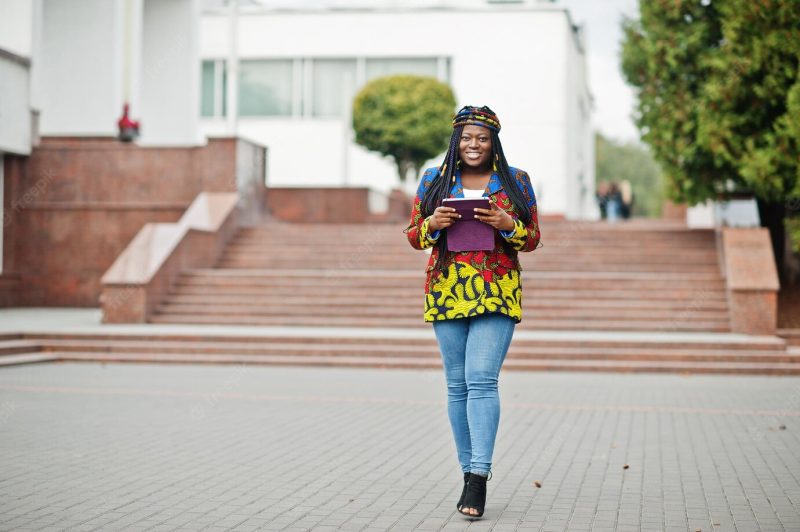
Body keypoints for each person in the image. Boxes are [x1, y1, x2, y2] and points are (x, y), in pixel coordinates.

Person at [404, 105, 541, 518]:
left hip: (497, 288)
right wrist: (433, 223)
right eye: (466, 137)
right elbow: (413, 235)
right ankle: (467, 472)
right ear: (456, 140)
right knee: (456, 386)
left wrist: (505, 222)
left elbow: (532, 238)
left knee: (481, 379)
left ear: (493, 140)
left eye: (481, 137)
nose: (473, 144)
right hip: (447, 289)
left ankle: (479, 477)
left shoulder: (516, 181)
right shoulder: (434, 178)